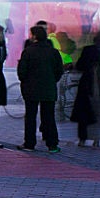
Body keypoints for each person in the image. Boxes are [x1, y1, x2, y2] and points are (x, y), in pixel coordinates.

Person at [16, 23, 62, 152]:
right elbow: (59, 71)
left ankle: (29, 143)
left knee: (30, 116)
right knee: (49, 117)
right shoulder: (53, 52)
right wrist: (52, 80)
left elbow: (22, 72)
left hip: (31, 89)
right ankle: (52, 144)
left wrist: (25, 82)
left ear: (34, 36)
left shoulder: (28, 51)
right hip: (48, 88)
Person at [70, 29, 100, 147]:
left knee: (84, 113)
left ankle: (82, 139)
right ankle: (96, 139)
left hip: (87, 85)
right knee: (98, 113)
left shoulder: (88, 50)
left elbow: (80, 65)